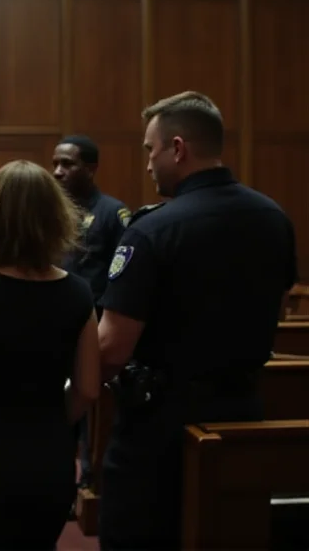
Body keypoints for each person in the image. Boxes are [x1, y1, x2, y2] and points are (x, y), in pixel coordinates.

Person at [97, 91, 298, 550]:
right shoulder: (274, 218)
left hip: (160, 432)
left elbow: (111, 349)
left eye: (151, 149)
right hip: (243, 418)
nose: (148, 163)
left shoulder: (152, 230)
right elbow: (281, 305)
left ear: (178, 148)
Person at [0, 160, 101, 550]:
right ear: (57, 220)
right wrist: (47, 425)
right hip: (47, 454)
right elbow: (88, 389)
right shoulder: (80, 293)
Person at [52, 134, 130, 491]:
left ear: (91, 168)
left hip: (97, 325)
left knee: (89, 404)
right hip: (56, 324)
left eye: (68, 164)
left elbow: (125, 275)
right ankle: (59, 480)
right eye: (55, 163)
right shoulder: (53, 210)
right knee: (58, 403)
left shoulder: (113, 213)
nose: (57, 171)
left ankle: (89, 480)